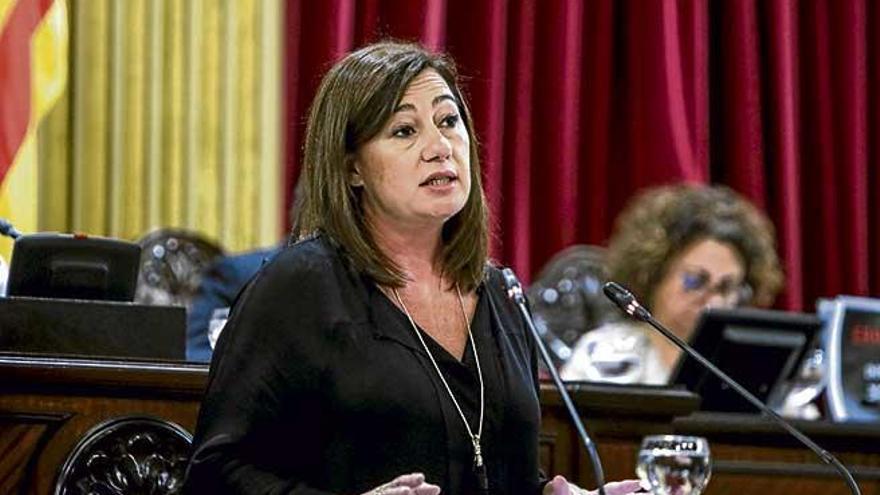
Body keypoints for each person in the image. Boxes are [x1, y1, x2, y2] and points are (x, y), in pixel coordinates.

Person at [185, 42, 641, 495]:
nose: (440, 147)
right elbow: (214, 474)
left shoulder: (502, 295)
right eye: (404, 131)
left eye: (449, 121)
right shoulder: (300, 288)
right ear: (352, 169)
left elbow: (495, 470)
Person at [561, 184, 784, 385]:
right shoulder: (603, 353)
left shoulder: (752, 363)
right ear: (653, 274)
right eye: (695, 281)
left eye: (726, 287)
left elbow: (801, 424)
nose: (714, 300)